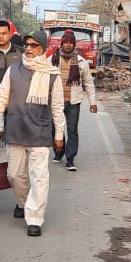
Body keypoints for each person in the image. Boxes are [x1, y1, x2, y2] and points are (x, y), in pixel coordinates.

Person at [0, 30, 66, 237]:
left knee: (39, 176)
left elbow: (57, 107)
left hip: (40, 131)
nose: (29, 49)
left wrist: (59, 133)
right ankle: (23, 203)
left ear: (43, 48)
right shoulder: (13, 70)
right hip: (15, 129)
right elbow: (1, 98)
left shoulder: (52, 75)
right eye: (27, 45)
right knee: (15, 174)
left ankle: (34, 218)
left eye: (34, 45)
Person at [50, 29, 98, 171]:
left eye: (71, 43)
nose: (68, 45)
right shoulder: (51, 60)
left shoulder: (82, 62)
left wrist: (93, 102)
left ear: (74, 45)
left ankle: (70, 159)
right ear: (62, 43)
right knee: (54, 129)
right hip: (55, 102)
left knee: (72, 130)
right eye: (66, 42)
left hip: (73, 102)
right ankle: (59, 152)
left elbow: (88, 83)